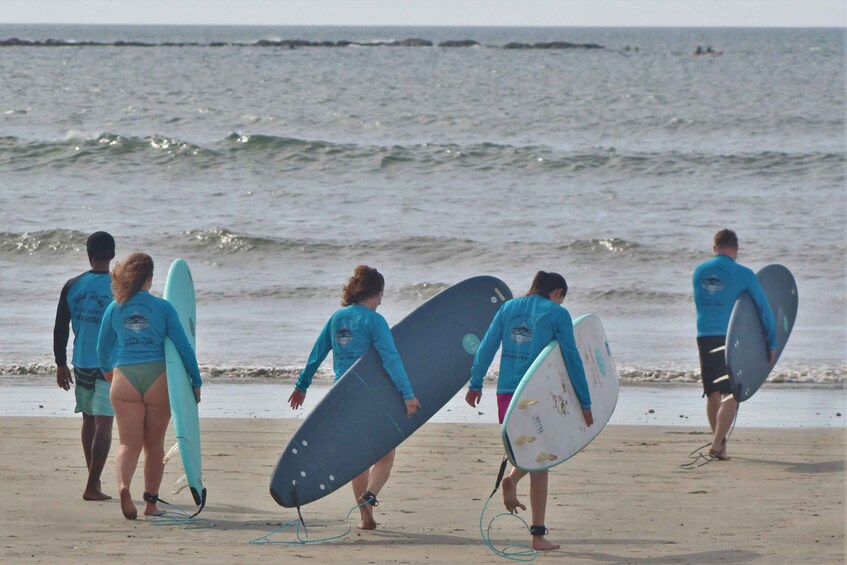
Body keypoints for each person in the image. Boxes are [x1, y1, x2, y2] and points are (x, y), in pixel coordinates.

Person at [465, 270, 593, 552]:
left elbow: (486, 346)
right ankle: (537, 534)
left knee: (524, 448)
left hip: (505, 393)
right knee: (541, 461)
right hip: (536, 394)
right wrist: (585, 402)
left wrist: (475, 383)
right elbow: (571, 358)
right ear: (557, 293)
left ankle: (513, 479)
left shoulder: (507, 308)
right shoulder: (558, 314)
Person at [288, 265, 421, 530]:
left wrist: (301, 386)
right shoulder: (374, 320)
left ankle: (365, 516)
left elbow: (316, 355)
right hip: (370, 397)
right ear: (374, 292)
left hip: (341, 397)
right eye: (381, 294)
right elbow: (390, 359)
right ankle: (370, 496)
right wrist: (407, 394)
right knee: (386, 453)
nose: (382, 300)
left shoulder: (337, 318)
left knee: (359, 457)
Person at [97, 252, 202, 520]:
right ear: (150, 279)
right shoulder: (163, 307)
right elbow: (183, 345)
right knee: (154, 445)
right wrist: (195, 381)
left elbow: (102, 348)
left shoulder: (115, 307)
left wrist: (109, 373)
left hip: (124, 379)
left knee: (127, 444)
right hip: (158, 379)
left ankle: (123, 488)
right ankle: (151, 504)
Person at [693, 229, 777, 460]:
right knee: (732, 394)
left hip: (704, 335)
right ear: (736, 249)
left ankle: (720, 445)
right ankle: (718, 443)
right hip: (730, 338)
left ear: (714, 248)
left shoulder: (699, 271)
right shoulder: (744, 274)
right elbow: (763, 308)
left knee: (713, 392)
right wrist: (771, 342)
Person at [53, 231, 117, 501]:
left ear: (88, 253)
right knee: (105, 422)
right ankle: (92, 486)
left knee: (89, 419)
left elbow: (60, 328)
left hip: (80, 361)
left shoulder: (72, 285)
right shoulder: (121, 286)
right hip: (110, 364)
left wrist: (60, 363)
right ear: (113, 255)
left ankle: (95, 480)